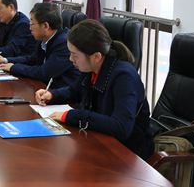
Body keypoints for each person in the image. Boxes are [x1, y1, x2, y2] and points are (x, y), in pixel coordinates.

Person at [35, 19, 154, 159]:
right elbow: (74, 92)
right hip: (99, 140)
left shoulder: (124, 77)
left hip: (127, 153)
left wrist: (72, 116)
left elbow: (121, 127)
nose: (71, 59)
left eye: (74, 55)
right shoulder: (91, 68)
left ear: (96, 56)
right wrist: (52, 95)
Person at [0, 2, 80, 89]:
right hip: (44, 88)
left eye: (32, 24)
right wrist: (5, 60)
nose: (30, 28)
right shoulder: (43, 39)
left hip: (62, 94)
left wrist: (13, 67)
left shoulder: (64, 43)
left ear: (45, 26)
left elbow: (44, 72)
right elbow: (32, 59)